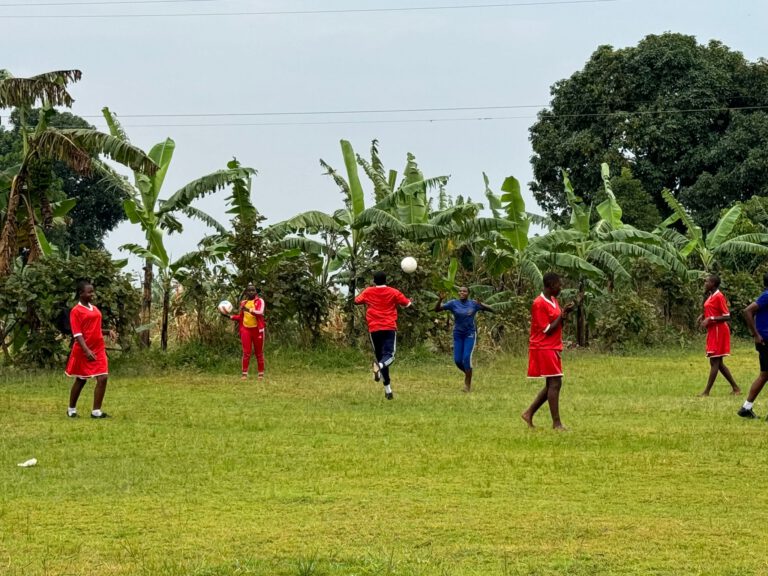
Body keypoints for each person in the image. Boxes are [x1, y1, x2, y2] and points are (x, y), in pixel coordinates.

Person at [521, 272, 577, 430]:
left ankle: (529, 413)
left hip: (553, 346)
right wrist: (562, 314)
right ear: (550, 286)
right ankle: (556, 423)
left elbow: (558, 325)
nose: (561, 287)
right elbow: (547, 329)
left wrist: (564, 314)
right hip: (543, 346)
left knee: (552, 384)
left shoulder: (554, 300)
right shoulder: (539, 303)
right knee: (555, 382)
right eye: (559, 284)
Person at [355, 271, 412, 400]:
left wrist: (368, 294)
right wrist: (410, 301)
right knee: (389, 356)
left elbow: (356, 301)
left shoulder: (368, 291)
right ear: (386, 280)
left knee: (381, 357)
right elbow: (407, 304)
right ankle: (379, 367)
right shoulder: (393, 292)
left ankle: (388, 391)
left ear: (374, 281)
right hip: (389, 327)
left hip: (374, 328)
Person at [65, 281, 116, 419]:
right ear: (81, 293)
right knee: (81, 379)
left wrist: (107, 331)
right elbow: (78, 334)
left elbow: (93, 328)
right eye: (89, 292)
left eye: (93, 291)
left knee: (103, 377)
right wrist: (86, 350)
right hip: (84, 349)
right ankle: (71, 409)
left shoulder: (93, 308)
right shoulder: (76, 311)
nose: (92, 294)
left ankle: (96, 411)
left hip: (98, 348)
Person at [434, 286, 494, 392]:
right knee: (457, 360)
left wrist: (482, 304)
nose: (462, 292)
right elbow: (437, 309)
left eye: (464, 291)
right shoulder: (453, 303)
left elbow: (491, 308)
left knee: (466, 357)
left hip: (469, 334)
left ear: (468, 293)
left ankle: (467, 385)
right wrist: (440, 300)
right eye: (460, 291)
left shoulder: (474, 304)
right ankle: (469, 372)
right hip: (458, 334)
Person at [699, 274, 740, 396]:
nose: (705, 284)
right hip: (713, 330)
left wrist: (710, 318)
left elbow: (727, 316)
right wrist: (703, 316)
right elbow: (711, 310)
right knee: (718, 363)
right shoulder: (711, 296)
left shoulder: (719, 296)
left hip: (719, 331)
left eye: (707, 282)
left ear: (713, 284)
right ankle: (736, 388)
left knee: (714, 362)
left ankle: (706, 392)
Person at [738, 272, 768, 419]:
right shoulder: (766, 295)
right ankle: (746, 407)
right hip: (765, 341)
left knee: (764, 375)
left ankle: (746, 408)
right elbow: (747, 311)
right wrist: (755, 334)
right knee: (764, 375)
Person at [224, 283, 266, 380]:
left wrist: (249, 310)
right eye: (249, 290)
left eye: (253, 290)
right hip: (246, 330)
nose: (251, 292)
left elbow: (260, 312)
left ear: (256, 292)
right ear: (246, 292)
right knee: (246, 352)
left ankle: (260, 374)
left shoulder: (260, 301)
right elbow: (241, 317)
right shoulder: (243, 303)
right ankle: (244, 374)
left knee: (258, 352)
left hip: (257, 330)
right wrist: (230, 316)